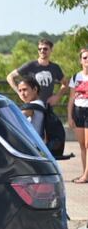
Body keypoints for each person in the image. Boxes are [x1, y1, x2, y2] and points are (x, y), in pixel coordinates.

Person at [6, 38, 67, 106]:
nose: (42, 51)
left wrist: (57, 97)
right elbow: (10, 77)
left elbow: (65, 83)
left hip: (47, 107)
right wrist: (19, 92)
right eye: (39, 49)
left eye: (45, 49)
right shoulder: (30, 65)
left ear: (51, 50)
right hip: (32, 106)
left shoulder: (55, 68)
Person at [68, 48, 88, 182]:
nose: (87, 60)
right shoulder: (76, 77)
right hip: (78, 111)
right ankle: (84, 173)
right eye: (85, 58)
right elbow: (71, 99)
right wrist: (69, 116)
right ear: (81, 60)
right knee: (82, 145)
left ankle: (86, 176)